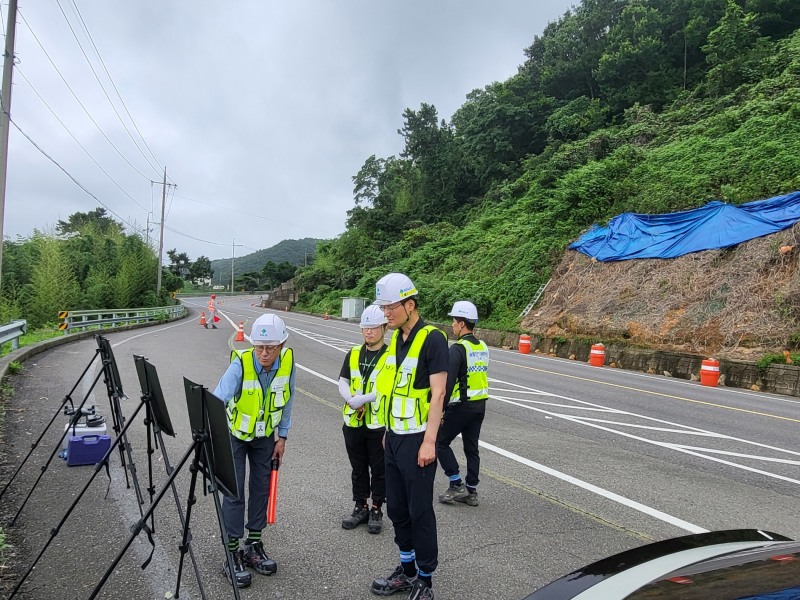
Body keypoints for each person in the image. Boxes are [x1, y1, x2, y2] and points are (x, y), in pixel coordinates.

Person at [370, 273, 448, 600]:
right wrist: (388, 431)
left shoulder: (432, 338)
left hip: (419, 440)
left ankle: (425, 580)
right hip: (395, 438)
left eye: (390, 308)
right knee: (397, 510)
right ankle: (407, 569)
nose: (385, 314)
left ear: (410, 305)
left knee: (419, 511)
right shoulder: (396, 342)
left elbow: (439, 393)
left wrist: (430, 441)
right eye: (383, 308)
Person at [212, 313, 295, 588]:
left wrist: (282, 437)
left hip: (265, 439)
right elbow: (217, 398)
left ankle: (254, 545)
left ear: (281, 345)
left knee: (261, 489)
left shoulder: (287, 365)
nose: (264, 353)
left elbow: (288, 400)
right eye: (260, 347)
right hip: (235, 436)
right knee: (234, 492)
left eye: (271, 347)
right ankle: (232, 551)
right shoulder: (241, 363)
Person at [338, 304, 388, 534]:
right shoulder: (354, 353)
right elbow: (343, 380)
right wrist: (350, 398)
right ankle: (361, 506)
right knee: (358, 468)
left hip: (378, 423)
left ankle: (377, 508)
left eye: (373, 327)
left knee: (379, 468)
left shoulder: (390, 356)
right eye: (365, 328)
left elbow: (388, 388)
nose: (369, 332)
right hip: (354, 421)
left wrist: (364, 399)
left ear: (384, 328)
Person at [437, 301, 489, 507]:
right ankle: (472, 491)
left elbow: (448, 383)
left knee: (440, 442)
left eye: (454, 320)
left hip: (461, 405)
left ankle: (455, 482)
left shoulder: (458, 349)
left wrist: (440, 409)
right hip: (480, 405)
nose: (452, 324)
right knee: (471, 447)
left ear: (461, 323)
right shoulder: (482, 346)